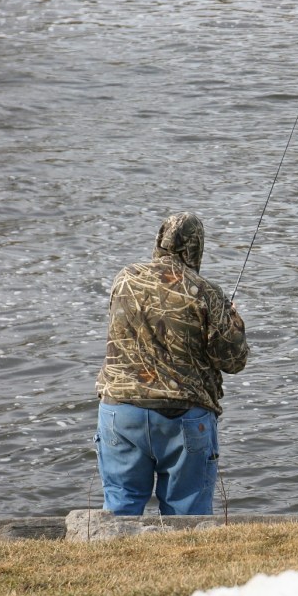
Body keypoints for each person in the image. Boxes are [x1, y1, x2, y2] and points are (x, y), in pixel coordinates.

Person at [95, 212, 249, 515]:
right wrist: (233, 320)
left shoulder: (124, 278)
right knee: (187, 514)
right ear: (196, 248)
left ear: (159, 241)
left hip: (120, 411)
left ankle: (114, 558)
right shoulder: (205, 291)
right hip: (184, 416)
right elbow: (232, 360)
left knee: (120, 510)